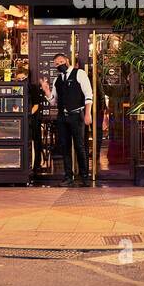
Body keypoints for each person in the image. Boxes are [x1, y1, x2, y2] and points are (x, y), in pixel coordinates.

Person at [39, 52, 93, 187]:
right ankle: (68, 176)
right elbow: (53, 101)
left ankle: (85, 176)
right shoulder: (57, 80)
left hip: (76, 115)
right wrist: (46, 91)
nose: (59, 65)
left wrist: (88, 114)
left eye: (61, 62)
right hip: (62, 117)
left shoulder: (79, 73)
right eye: (56, 64)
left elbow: (88, 95)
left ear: (67, 61)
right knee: (65, 147)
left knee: (80, 146)